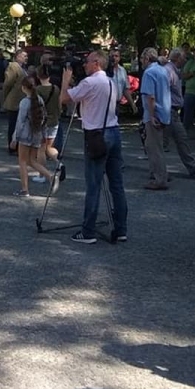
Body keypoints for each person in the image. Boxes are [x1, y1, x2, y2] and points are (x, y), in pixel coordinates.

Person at [61, 50, 128, 244]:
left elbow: (63, 99)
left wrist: (65, 81)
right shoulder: (111, 82)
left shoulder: (89, 83)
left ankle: (88, 231)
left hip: (96, 135)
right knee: (117, 184)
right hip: (113, 131)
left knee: (93, 184)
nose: (84, 65)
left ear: (96, 63)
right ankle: (121, 229)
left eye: (87, 61)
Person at [163, 47, 195, 178]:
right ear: (177, 58)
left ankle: (192, 166)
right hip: (168, 110)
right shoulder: (168, 71)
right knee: (162, 142)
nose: (185, 60)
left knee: (182, 138)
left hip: (174, 111)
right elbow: (162, 90)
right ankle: (157, 171)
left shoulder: (175, 71)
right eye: (184, 57)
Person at [10, 77, 53, 197]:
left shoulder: (24, 102)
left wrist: (15, 138)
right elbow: (44, 118)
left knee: (22, 162)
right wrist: (44, 134)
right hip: (37, 134)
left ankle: (25, 189)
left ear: (24, 88)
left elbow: (20, 122)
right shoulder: (39, 100)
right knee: (32, 160)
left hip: (25, 135)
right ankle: (50, 176)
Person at [140, 48, 171, 191]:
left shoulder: (149, 73)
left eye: (142, 59)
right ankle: (157, 173)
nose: (141, 61)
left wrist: (152, 116)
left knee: (154, 148)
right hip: (164, 111)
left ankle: (160, 179)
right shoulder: (163, 70)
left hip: (154, 114)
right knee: (152, 145)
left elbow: (150, 96)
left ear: (147, 59)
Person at [2, 49, 28, 149]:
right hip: (14, 101)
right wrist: (6, 96)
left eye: (26, 56)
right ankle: (12, 146)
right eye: (24, 56)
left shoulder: (22, 68)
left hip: (20, 100)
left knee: (19, 124)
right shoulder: (13, 66)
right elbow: (8, 83)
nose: (26, 58)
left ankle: (17, 145)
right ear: (17, 57)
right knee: (13, 124)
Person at [107, 48, 138, 116]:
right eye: (112, 56)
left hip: (118, 104)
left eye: (116, 56)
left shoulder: (122, 70)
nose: (114, 58)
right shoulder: (106, 71)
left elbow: (125, 89)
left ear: (119, 58)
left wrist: (132, 104)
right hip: (107, 104)